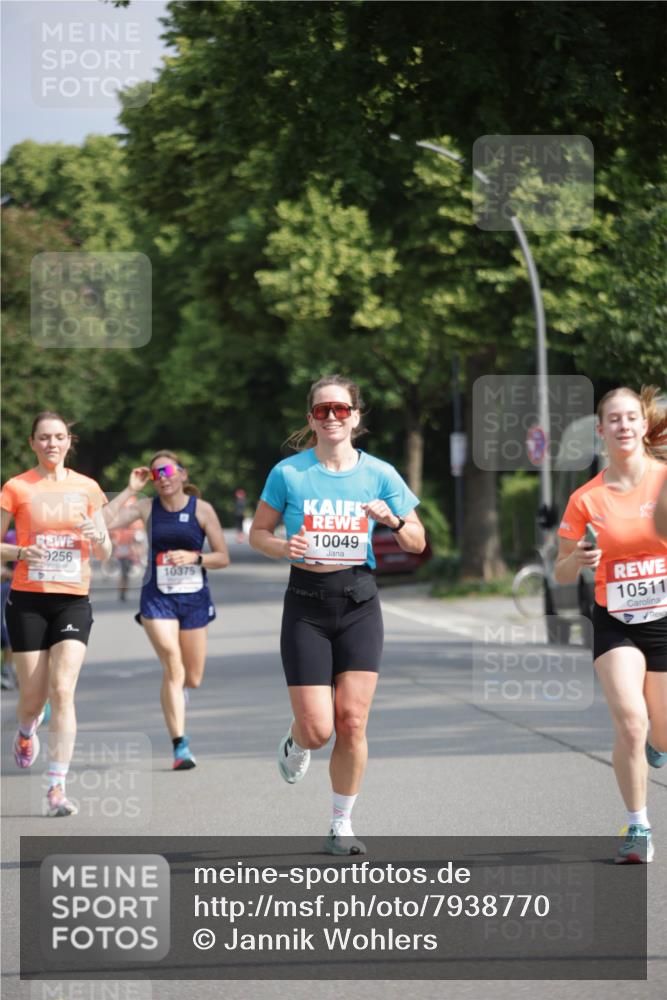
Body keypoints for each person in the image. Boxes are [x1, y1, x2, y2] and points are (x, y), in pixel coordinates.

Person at [250, 375, 426, 855]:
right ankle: (295, 740)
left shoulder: (381, 474)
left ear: (356, 416)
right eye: (323, 410)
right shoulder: (289, 473)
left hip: (359, 601)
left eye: (341, 409)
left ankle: (340, 824)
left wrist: (390, 520)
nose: (332, 417)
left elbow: (417, 540)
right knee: (317, 729)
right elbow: (257, 534)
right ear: (311, 418)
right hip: (306, 603)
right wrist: (284, 545)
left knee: (351, 721)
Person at [555, 386, 667, 863]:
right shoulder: (586, 498)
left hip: (664, 617)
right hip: (614, 620)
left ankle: (657, 745)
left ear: (644, 426)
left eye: (630, 418)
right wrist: (577, 558)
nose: (623, 426)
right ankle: (637, 826)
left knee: (660, 733)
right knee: (629, 720)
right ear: (600, 432)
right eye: (613, 420)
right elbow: (558, 571)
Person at [0, 411, 111, 817]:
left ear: (69, 442)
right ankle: (27, 729)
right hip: (28, 599)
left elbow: (105, 552)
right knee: (32, 700)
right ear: (32, 443)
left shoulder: (87, 488)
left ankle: (56, 789)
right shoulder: (16, 487)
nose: (51, 444)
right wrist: (19, 552)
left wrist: (98, 537)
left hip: (72, 599)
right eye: (44, 437)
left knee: (63, 689)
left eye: (59, 437)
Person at [104, 451, 230, 769]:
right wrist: (132, 489)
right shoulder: (147, 508)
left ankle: (180, 694)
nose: (163, 477)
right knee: (173, 665)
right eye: (156, 473)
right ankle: (180, 746)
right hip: (156, 597)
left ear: (183, 475)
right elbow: (103, 521)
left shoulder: (202, 510)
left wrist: (195, 559)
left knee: (193, 677)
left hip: (194, 598)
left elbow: (222, 557)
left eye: (169, 470)